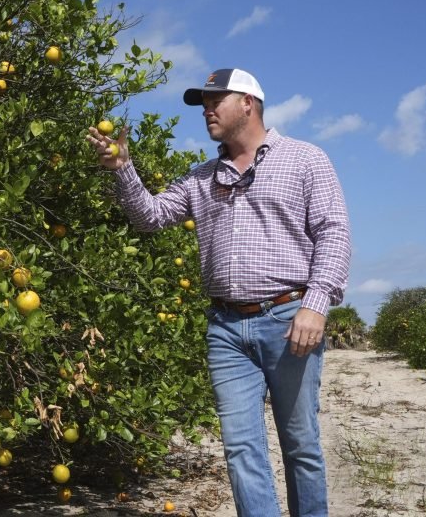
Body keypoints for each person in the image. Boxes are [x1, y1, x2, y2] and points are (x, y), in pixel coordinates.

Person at [86, 68, 351, 517]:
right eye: (203, 103)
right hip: (225, 329)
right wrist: (123, 169)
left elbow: (334, 233)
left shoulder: (305, 159)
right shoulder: (201, 177)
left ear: (248, 103)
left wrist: (317, 305)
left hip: (290, 320)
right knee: (241, 450)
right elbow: (150, 217)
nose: (207, 110)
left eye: (216, 100)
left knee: (300, 445)